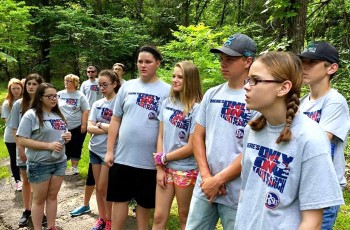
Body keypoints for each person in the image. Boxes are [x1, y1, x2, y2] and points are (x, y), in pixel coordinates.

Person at [234, 51, 344, 229]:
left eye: (255, 80)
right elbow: (247, 192)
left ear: (283, 88)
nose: (246, 86)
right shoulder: (252, 129)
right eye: (248, 80)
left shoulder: (311, 138)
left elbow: (313, 222)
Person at [185, 33, 256, 229]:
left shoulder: (256, 98)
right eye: (222, 59)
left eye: (230, 59)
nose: (223, 64)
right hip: (205, 186)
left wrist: (220, 179)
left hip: (237, 190)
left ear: (247, 61)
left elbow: (255, 148)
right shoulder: (212, 94)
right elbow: (198, 137)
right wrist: (207, 177)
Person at [105, 45, 171, 230]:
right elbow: (116, 119)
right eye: (140, 61)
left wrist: (161, 161)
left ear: (157, 63)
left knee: (144, 204)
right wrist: (110, 151)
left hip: (149, 161)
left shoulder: (167, 91)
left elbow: (166, 128)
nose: (143, 65)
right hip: (123, 157)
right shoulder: (127, 86)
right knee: (119, 200)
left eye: (148, 62)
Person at [298, 41, 350, 229]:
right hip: (302, 185)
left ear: (332, 68)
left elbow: (318, 143)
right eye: (303, 60)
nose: (304, 66)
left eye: (312, 62)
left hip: (323, 190)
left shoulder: (334, 102)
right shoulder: (303, 103)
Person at [152, 61, 203, 230]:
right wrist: (160, 166)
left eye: (180, 77)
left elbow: (191, 146)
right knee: (158, 216)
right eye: (174, 76)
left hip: (186, 170)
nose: (175, 80)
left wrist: (164, 158)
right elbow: (160, 135)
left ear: (191, 80)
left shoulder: (197, 109)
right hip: (165, 169)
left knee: (184, 215)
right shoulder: (167, 103)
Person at [17, 83, 72, 230]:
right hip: (39, 165)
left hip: (59, 162)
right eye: (50, 96)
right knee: (39, 199)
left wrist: (67, 136)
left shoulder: (58, 115)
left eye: (56, 96)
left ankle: (51, 226)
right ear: (41, 98)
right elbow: (21, 139)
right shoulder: (31, 115)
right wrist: (48, 146)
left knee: (53, 196)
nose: (54, 99)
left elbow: (60, 133)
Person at [7, 74, 45, 227]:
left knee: (40, 182)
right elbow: (14, 129)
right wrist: (20, 149)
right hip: (23, 149)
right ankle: (27, 210)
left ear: (40, 86)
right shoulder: (18, 105)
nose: (31, 86)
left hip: (41, 150)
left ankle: (39, 211)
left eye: (34, 84)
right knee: (26, 181)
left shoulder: (45, 103)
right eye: (28, 83)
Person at [88, 70, 121, 230]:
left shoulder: (119, 103)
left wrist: (99, 125)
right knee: (98, 187)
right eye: (99, 85)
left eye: (105, 84)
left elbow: (121, 129)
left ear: (114, 84)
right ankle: (102, 218)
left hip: (110, 152)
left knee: (104, 188)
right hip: (94, 149)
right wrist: (108, 127)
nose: (101, 87)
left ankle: (110, 220)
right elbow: (89, 128)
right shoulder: (97, 104)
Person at [58, 74, 90, 174]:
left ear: (75, 83)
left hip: (77, 126)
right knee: (62, 146)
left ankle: (74, 167)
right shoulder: (59, 94)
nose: (67, 82)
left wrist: (84, 124)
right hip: (61, 126)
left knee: (76, 146)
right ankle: (61, 167)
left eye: (69, 81)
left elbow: (85, 110)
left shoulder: (80, 95)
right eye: (65, 80)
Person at [1, 78, 23, 191]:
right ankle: (17, 180)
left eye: (18, 88)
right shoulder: (7, 104)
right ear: (10, 89)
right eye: (13, 88)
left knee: (25, 157)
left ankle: (27, 178)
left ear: (22, 88)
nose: (16, 91)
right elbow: (8, 122)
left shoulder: (26, 101)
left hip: (25, 135)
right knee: (14, 158)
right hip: (11, 136)